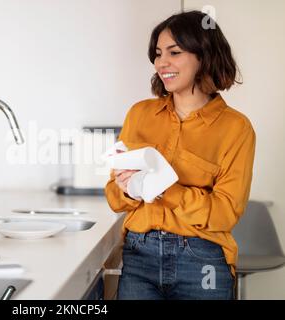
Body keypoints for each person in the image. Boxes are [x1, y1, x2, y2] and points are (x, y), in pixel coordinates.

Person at [105, 10, 255, 300]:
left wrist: (165, 190)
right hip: (139, 255)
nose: (162, 63)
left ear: (204, 55)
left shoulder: (236, 128)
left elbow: (224, 214)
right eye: (158, 54)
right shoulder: (140, 114)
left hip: (202, 260)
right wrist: (130, 189)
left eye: (174, 52)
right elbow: (113, 197)